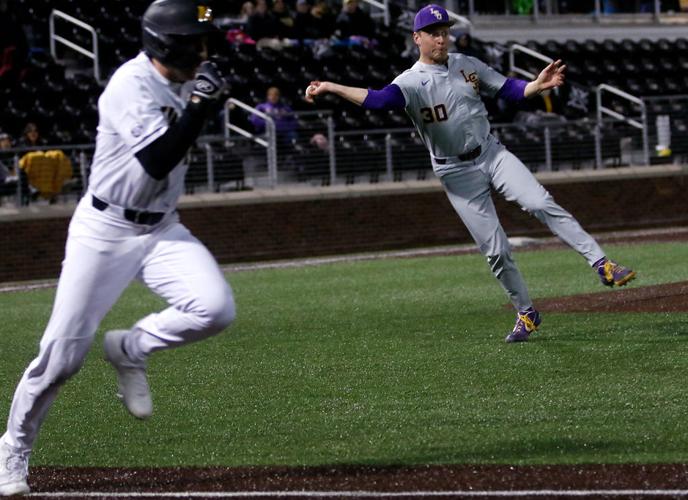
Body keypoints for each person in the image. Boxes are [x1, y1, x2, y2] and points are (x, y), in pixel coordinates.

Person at [0, 0, 235, 495]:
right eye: (195, 42)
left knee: (214, 309)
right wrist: (200, 105)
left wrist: (207, 88)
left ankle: (132, 346)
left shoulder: (191, 77)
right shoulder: (130, 85)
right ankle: (12, 451)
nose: (204, 50)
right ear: (167, 45)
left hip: (161, 228)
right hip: (104, 230)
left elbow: (205, 88)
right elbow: (156, 159)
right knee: (61, 357)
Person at [305, 4, 635, 344]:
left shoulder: (467, 64)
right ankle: (526, 312)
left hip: (491, 153)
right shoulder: (411, 82)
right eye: (433, 33)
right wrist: (331, 86)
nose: (442, 38)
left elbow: (508, 89)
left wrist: (536, 85)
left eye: (445, 31)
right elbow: (377, 101)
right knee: (496, 250)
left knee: (540, 201)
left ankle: (602, 263)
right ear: (417, 38)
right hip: (455, 171)